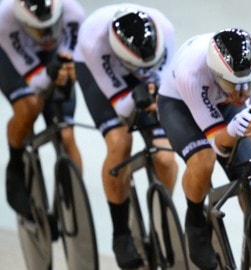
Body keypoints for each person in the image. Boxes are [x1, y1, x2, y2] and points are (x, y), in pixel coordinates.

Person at [157, 28, 251, 269]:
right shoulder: (191, 71)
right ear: (215, 73)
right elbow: (220, 146)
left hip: (224, 106)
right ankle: (194, 221)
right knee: (204, 160)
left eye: (248, 84)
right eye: (232, 83)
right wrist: (233, 131)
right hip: (181, 105)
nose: (242, 93)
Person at [73, 3, 178, 269]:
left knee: (165, 158)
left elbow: (166, 83)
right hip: (97, 70)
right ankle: (120, 232)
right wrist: (140, 98)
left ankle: (161, 219)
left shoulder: (165, 28)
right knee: (120, 142)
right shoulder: (93, 42)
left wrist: (157, 98)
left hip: (146, 69)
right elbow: (122, 106)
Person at [0, 0, 85, 219]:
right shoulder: (5, 18)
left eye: (52, 27)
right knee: (29, 106)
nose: (47, 35)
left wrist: (67, 70)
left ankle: (75, 198)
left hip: (53, 54)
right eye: (40, 29)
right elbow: (36, 83)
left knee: (66, 133)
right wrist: (51, 73)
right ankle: (16, 165)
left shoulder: (73, 12)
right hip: (10, 53)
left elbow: (71, 60)